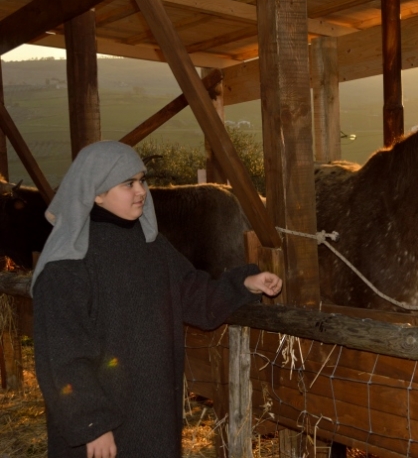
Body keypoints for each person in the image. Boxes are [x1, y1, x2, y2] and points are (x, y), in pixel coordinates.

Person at [31, 140, 282, 458]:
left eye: (141, 180)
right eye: (128, 183)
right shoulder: (66, 264)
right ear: (96, 192)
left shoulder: (152, 247)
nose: (141, 191)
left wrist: (244, 284)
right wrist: (92, 424)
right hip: (97, 430)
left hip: (152, 414)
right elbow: (63, 358)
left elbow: (193, 294)